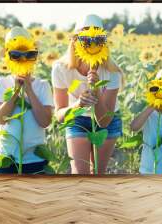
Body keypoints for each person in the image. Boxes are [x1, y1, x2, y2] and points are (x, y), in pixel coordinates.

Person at [51, 14, 123, 174]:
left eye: (98, 40)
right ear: (75, 41)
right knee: (79, 173)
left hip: (107, 121)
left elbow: (104, 122)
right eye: (86, 39)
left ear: (104, 44)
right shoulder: (61, 69)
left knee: (98, 172)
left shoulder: (112, 72)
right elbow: (60, 115)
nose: (92, 44)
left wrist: (96, 88)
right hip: (77, 119)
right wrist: (78, 104)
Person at [0, 26, 54, 174]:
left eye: (28, 55)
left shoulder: (42, 86)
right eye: (16, 55)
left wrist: (29, 90)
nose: (22, 59)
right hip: (7, 157)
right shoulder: (2, 83)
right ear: (9, 56)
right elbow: (1, 118)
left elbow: (45, 121)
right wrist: (15, 92)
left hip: (35, 158)